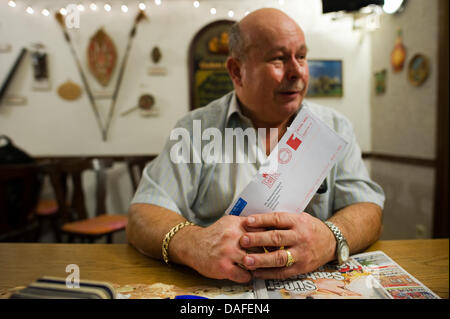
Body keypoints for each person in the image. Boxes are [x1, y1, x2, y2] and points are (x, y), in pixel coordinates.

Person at [126, 8, 385, 284]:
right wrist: (192, 242)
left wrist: (331, 237)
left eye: (301, 56)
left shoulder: (335, 127)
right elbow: (143, 213)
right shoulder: (194, 130)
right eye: (278, 59)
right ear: (237, 71)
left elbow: (368, 208)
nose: (297, 72)